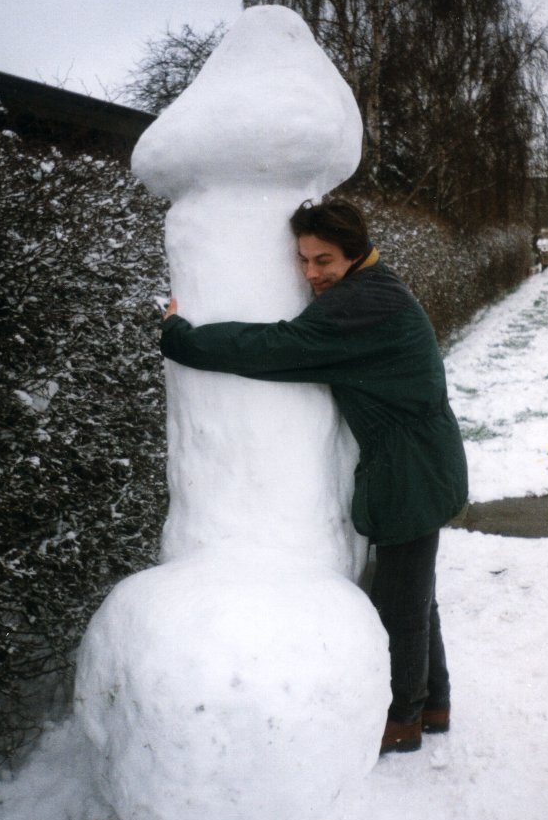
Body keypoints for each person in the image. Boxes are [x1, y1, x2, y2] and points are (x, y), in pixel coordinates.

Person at [160, 199, 468, 754]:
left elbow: (277, 347)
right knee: (416, 595)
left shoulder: (360, 304)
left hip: (410, 470)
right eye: (303, 260)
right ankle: (434, 704)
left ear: (353, 252)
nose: (311, 274)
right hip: (423, 458)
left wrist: (182, 339)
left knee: (401, 604)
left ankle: (402, 719)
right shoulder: (375, 284)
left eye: (323, 260)